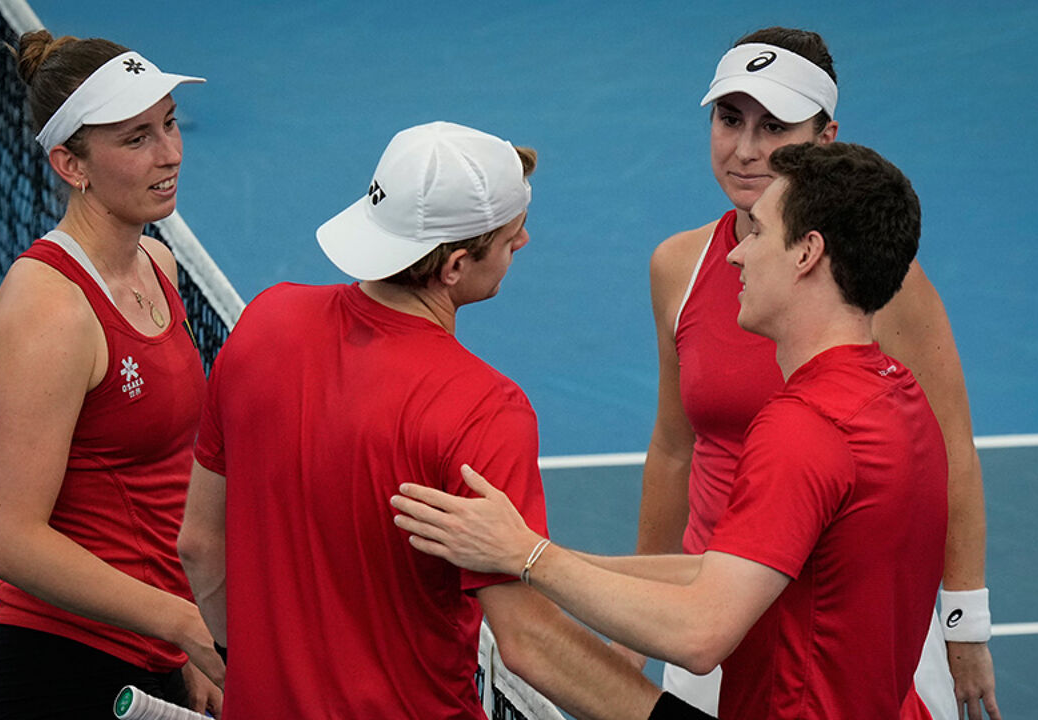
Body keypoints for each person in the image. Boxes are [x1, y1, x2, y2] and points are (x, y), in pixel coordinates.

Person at [394, 140, 946, 720]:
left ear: (807, 253)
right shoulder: (899, 396)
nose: (736, 255)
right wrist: (532, 559)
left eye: (758, 232)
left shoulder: (805, 428)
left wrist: (528, 556)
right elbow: (729, 573)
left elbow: (701, 632)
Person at [177, 121, 682, 719]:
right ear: (455, 267)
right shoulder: (486, 411)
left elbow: (200, 546)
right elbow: (530, 643)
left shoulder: (263, 323)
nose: (523, 242)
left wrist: (248, 667)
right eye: (511, 236)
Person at [631, 28, 1000, 719]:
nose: (745, 149)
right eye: (729, 119)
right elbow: (674, 449)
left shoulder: (886, 284)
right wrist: (639, 621)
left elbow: (951, 450)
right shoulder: (677, 267)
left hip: (848, 623)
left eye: (774, 127)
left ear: (824, 138)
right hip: (712, 606)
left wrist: (964, 623)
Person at [0, 30, 223, 719]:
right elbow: (10, 540)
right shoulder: (48, 311)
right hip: (64, 670)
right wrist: (184, 623)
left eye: (170, 123)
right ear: (70, 164)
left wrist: (179, 647)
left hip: (156, 650)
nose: (170, 153)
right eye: (136, 138)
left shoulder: (158, 266)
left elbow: (162, 481)